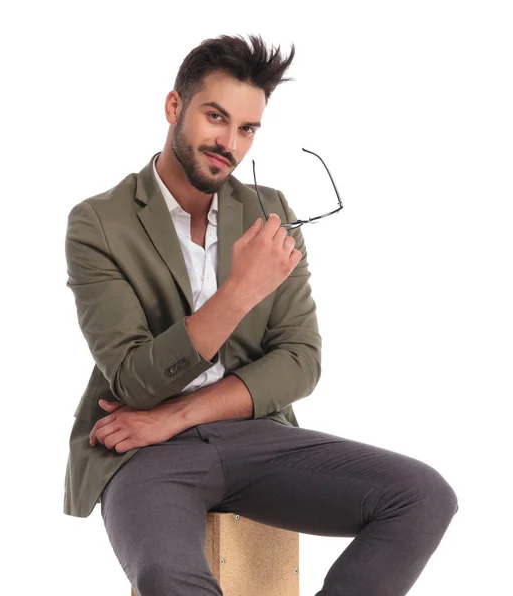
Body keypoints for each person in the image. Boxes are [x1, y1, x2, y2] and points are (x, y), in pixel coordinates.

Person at [63, 33, 458, 596]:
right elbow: (132, 378)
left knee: (423, 497)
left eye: (247, 129)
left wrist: (179, 414)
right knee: (167, 576)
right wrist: (238, 293)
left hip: (249, 436)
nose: (229, 142)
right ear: (175, 107)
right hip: (143, 451)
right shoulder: (99, 222)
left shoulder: (271, 213)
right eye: (215, 117)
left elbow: (301, 361)